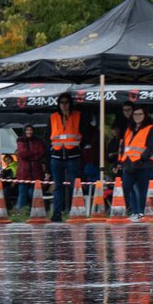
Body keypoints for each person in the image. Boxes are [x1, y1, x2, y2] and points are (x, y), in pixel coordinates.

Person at [48, 93, 89, 222]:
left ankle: (75, 211)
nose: (64, 105)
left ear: (70, 103)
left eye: (66, 102)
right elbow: (48, 135)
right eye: (62, 103)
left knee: (75, 185)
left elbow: (87, 132)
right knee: (58, 186)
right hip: (57, 155)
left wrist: (80, 145)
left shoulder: (78, 115)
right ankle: (57, 213)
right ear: (58, 104)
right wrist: (50, 149)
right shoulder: (53, 117)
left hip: (73, 155)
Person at [118, 106, 153, 220]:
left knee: (142, 189)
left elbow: (152, 147)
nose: (137, 116)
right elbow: (123, 146)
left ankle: (141, 212)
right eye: (135, 114)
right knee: (127, 188)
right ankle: (133, 211)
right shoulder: (129, 129)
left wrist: (142, 158)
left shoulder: (151, 129)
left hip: (143, 164)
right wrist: (120, 161)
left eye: (140, 114)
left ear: (145, 115)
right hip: (128, 163)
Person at [14, 125, 46, 211]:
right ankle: (22, 213)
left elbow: (41, 153)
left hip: (36, 172)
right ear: (24, 131)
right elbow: (22, 154)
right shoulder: (20, 141)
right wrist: (34, 155)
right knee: (22, 194)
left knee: (34, 194)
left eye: (31, 130)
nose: (29, 132)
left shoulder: (38, 141)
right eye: (27, 130)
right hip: (23, 172)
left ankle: (36, 212)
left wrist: (29, 155)